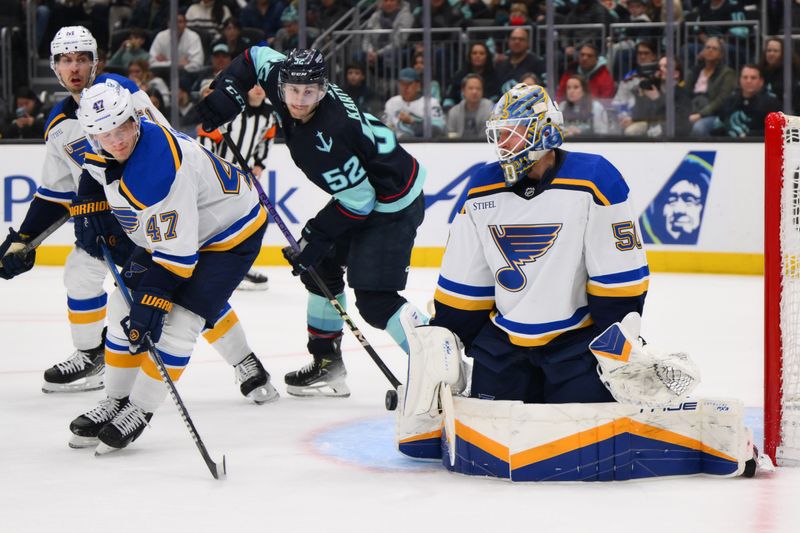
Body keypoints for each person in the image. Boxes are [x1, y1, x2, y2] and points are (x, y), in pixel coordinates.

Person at [0, 26, 274, 404]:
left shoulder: (120, 92)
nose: (75, 67)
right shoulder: (59, 124)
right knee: (80, 273)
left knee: (184, 289)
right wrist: (24, 238)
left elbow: (153, 146)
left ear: (95, 62)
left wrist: (96, 196)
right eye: (66, 60)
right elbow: (56, 192)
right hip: (112, 218)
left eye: (82, 58)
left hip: (156, 209)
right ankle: (91, 355)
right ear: (55, 66)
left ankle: (243, 359)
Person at [195, 48, 428, 397]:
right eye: (292, 91)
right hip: (372, 189)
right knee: (319, 265)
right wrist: (229, 87)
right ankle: (327, 364)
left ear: (322, 90)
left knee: (375, 301)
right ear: (283, 83)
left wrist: (315, 235)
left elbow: (360, 202)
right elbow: (255, 56)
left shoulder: (328, 135)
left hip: (393, 202)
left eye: (309, 93)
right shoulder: (283, 81)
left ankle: (441, 364)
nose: (299, 100)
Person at [67, 79, 271, 453]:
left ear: (133, 120)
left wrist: (154, 299)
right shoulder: (115, 127)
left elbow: (177, 260)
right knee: (121, 306)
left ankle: (140, 410)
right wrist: (89, 199)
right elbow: (95, 167)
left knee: (179, 321)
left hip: (229, 235)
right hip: (180, 229)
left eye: (119, 129)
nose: (114, 141)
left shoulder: (156, 172)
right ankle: (114, 399)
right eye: (102, 135)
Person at [429, 82, 648, 408]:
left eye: (512, 132)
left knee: (580, 438)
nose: (502, 143)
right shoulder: (481, 187)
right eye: (499, 133)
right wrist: (446, 338)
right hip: (502, 346)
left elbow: (617, 272)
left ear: (543, 133)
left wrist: (617, 340)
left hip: (577, 343)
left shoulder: (595, 180)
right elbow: (467, 278)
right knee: (493, 435)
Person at [197, 82, 277, 291]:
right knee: (217, 224)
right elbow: (206, 139)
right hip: (218, 178)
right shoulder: (233, 110)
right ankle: (211, 268)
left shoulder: (268, 113)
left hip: (244, 179)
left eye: (261, 85)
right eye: (252, 85)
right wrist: (210, 169)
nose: (258, 89)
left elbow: (267, 137)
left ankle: (239, 268)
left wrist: (259, 163)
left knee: (252, 223)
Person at [684, 36, 736, 136]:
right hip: (692, 111)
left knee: (699, 127)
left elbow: (721, 100)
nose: (710, 50)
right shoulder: (694, 72)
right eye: (707, 47)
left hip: (715, 115)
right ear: (702, 51)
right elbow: (684, 94)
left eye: (714, 48)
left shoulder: (727, 73)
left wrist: (701, 114)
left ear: (721, 54)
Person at [712, 65, 780, 138]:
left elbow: (775, 131)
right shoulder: (730, 101)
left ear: (761, 81)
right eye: (745, 77)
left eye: (753, 78)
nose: (748, 81)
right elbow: (719, 126)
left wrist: (749, 136)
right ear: (740, 80)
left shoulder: (771, 103)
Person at [382, 67, 446, 139]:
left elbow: (438, 130)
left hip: (423, 145)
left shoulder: (431, 103)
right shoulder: (392, 102)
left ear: (418, 85)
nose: (405, 88)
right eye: (402, 84)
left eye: (409, 84)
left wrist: (412, 122)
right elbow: (383, 129)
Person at [443, 42, 502, 109]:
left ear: (487, 57)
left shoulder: (495, 78)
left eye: (481, 53)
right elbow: (449, 99)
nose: (477, 56)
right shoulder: (459, 76)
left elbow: (499, 100)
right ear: (469, 56)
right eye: (474, 53)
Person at [446, 74, 494, 140]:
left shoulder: (491, 109)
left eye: (478, 88)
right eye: (471, 88)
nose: (474, 92)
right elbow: (451, 136)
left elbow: (490, 137)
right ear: (463, 91)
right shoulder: (454, 112)